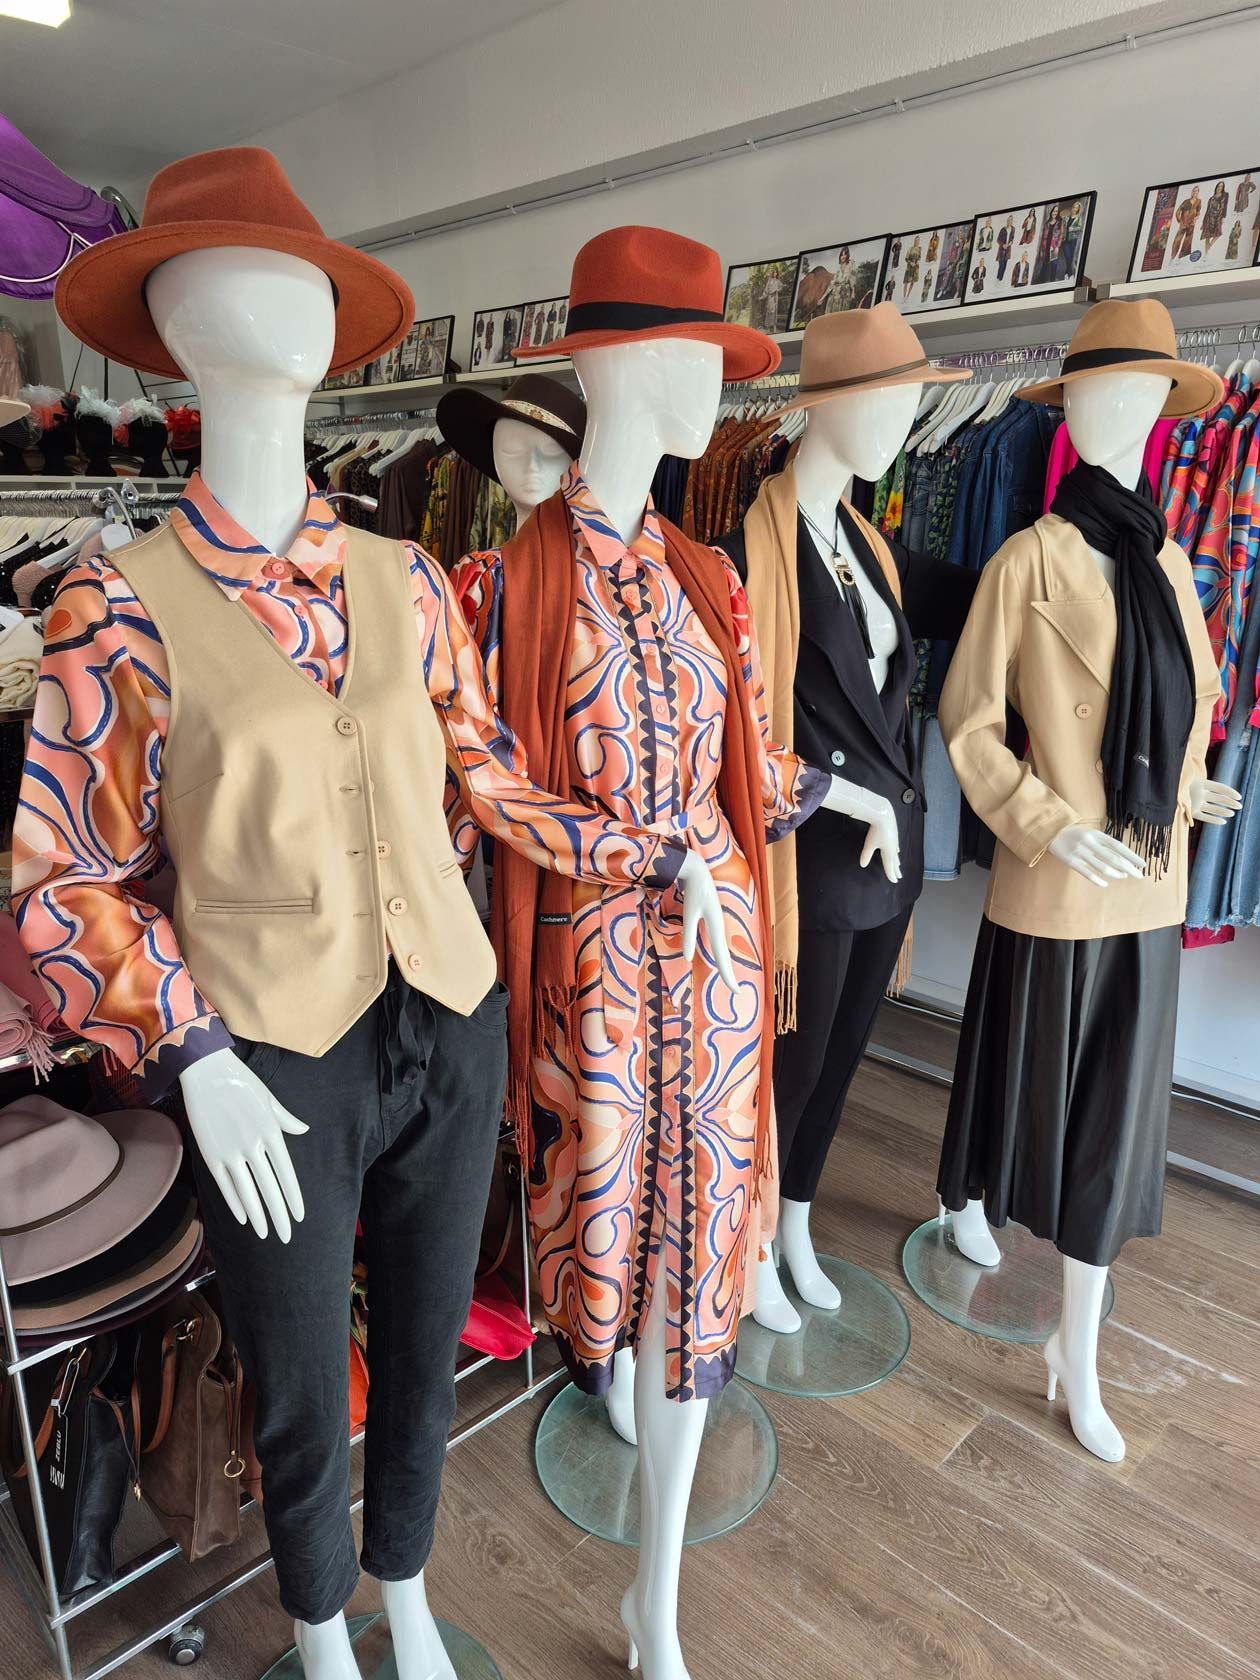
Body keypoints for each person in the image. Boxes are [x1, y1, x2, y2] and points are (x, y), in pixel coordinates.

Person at [1170, 185, 1201, 262]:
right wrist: (1180, 221)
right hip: (1183, 224)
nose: (1195, 192)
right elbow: (1178, 211)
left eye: (1196, 191)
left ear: (1198, 192)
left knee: (1187, 241)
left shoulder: (1199, 201)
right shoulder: (1186, 201)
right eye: (1194, 190)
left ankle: (1180, 258)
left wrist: (1196, 219)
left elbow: (1198, 212)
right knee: (1177, 240)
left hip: (1191, 224)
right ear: (1192, 192)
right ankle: (1172, 258)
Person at [823, 245, 857, 314]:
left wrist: (853, 291)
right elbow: (832, 283)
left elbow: (852, 277)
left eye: (845, 254)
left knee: (842, 315)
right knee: (830, 315)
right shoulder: (838, 268)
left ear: (848, 255)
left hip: (844, 293)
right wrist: (823, 297)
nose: (843, 256)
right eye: (842, 255)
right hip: (835, 293)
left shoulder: (851, 263)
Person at [1202, 181, 1229, 254]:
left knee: (1218, 233)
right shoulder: (1211, 198)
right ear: (1216, 187)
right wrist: (1203, 222)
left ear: (1223, 188)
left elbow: (1225, 206)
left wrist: (1224, 217)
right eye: (1218, 186)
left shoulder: (1225, 195)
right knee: (1207, 236)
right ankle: (1206, 254)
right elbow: (1207, 210)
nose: (1220, 188)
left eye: (1221, 186)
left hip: (1218, 217)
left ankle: (1209, 247)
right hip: (1209, 217)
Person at [995, 216, 1014, 281]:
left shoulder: (1013, 229)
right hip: (1001, 250)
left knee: (1005, 266)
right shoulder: (1003, 229)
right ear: (1007, 221)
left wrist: (1011, 242)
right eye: (1008, 220)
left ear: (1012, 221)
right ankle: (998, 278)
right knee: (1001, 265)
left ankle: (1000, 279)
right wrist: (1003, 245)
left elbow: (1012, 238)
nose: (1009, 221)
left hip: (1008, 250)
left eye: (1011, 220)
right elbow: (998, 240)